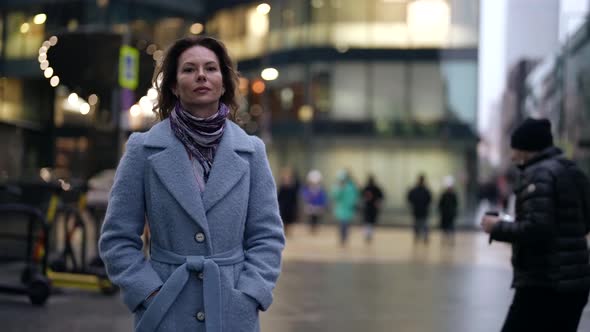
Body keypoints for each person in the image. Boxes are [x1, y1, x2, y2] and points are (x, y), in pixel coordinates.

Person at [99, 36, 285, 332]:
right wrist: (148, 292)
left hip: (232, 309)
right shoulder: (143, 150)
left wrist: (250, 294)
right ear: (173, 85)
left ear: (224, 83)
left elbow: (267, 236)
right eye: (189, 69)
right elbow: (117, 238)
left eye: (211, 68)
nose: (201, 75)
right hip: (165, 308)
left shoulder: (251, 152)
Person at [481, 117, 590, 332]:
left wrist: (497, 227)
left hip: (544, 283)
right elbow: (581, 223)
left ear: (525, 148)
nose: (511, 155)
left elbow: (538, 228)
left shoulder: (539, 175)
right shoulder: (572, 170)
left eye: (514, 148)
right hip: (574, 283)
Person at [331, 169, 358, 246]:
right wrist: (340, 189)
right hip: (340, 209)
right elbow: (335, 196)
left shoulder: (351, 186)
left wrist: (352, 204)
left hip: (348, 209)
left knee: (345, 224)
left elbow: (354, 196)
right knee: (342, 224)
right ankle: (342, 238)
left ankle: (344, 238)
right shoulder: (337, 186)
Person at [407, 174, 432, 245]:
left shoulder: (423, 190)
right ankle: (419, 237)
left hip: (421, 210)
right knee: (419, 224)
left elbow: (429, 199)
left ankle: (422, 237)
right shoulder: (421, 190)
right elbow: (410, 198)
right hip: (419, 210)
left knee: (421, 224)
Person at [301, 169, 328, 235]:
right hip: (310, 205)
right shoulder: (307, 188)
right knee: (311, 217)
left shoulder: (320, 189)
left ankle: (315, 228)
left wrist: (323, 204)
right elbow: (304, 194)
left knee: (316, 217)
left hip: (318, 206)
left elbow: (323, 197)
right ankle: (311, 228)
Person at [361, 174, 384, 244]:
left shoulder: (369, 188)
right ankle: (368, 234)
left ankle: (368, 234)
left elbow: (381, 197)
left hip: (370, 208)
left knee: (368, 222)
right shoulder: (374, 188)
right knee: (369, 222)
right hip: (370, 208)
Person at [277, 167, 299, 237]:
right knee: (283, 218)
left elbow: (295, 196)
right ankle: (284, 231)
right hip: (283, 205)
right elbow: (279, 196)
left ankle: (289, 231)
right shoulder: (282, 185)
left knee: (290, 218)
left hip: (291, 205)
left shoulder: (294, 185)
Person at [438, 175, 458, 246]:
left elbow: (456, 204)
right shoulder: (444, 195)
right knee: (445, 228)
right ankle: (445, 239)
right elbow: (440, 204)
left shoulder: (453, 195)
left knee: (451, 227)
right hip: (445, 214)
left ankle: (451, 239)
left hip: (450, 214)